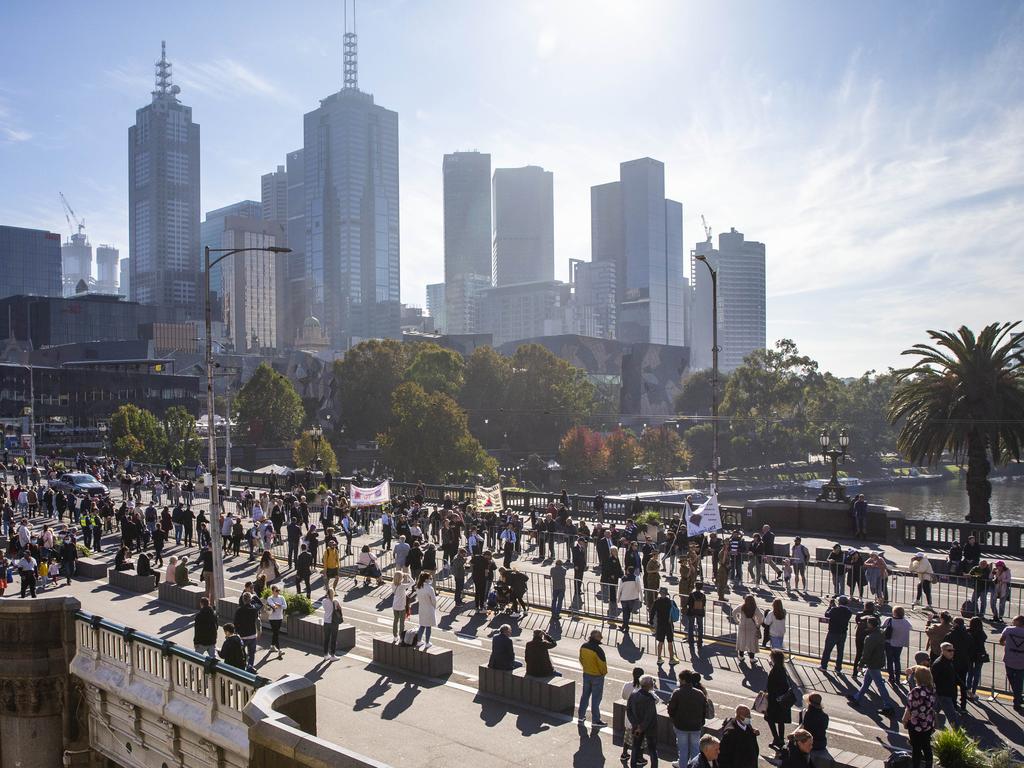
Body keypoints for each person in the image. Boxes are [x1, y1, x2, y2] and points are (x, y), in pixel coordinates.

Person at [847, 617, 896, 716]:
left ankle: (888, 705)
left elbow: (866, 653)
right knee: (866, 682)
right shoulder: (881, 633)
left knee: (880, 685)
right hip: (878, 660)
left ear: (870, 625)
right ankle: (857, 697)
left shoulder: (870, 638)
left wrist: (860, 664)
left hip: (873, 663)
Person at [668, 668, 707, 766]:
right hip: (696, 727)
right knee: (695, 750)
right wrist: (701, 722)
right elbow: (704, 710)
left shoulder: (677, 692)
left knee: (683, 751)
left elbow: (671, 709)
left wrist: (674, 720)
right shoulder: (699, 693)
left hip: (681, 726)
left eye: (680, 679)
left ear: (683, 680)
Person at [902, 666, 937, 768]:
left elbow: (909, 708)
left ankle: (916, 765)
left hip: (915, 723)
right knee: (927, 746)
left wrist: (904, 721)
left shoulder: (915, 691)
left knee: (916, 748)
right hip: (928, 722)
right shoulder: (932, 689)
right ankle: (929, 765)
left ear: (917, 678)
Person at [626, 674, 659, 768]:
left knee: (635, 747)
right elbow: (649, 716)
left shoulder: (633, 695)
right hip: (650, 727)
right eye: (652, 683)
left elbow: (629, 710)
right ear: (648, 685)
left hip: (636, 726)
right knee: (652, 749)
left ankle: (633, 765)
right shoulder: (650, 699)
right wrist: (642, 727)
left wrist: (635, 724)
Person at [764, 650, 794, 749]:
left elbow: (771, 686)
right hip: (782, 700)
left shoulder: (775, 671)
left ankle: (776, 738)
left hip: (774, 701)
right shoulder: (782, 669)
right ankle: (780, 738)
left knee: (769, 719)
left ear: (774, 659)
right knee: (780, 721)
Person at [578, 629, 609, 727]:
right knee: (596, 699)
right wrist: (603, 674)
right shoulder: (598, 650)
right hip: (597, 676)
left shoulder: (583, 646)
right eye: (600, 636)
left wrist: (586, 668)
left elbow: (581, 659)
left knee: (585, 696)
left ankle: (581, 716)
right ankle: (595, 720)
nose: (602, 638)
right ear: (596, 637)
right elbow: (602, 665)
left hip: (586, 674)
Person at [943, 616, 974, 710]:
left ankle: (954, 704)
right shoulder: (968, 636)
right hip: (964, 663)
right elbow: (971, 650)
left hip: (953, 662)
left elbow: (944, 648)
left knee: (953, 684)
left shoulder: (949, 635)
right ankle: (964, 705)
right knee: (963, 683)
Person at [819, 595, 853, 673]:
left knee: (827, 650)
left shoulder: (834, 610)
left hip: (833, 632)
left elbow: (827, 614)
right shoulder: (849, 612)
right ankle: (838, 668)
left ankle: (824, 666)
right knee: (840, 652)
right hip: (843, 633)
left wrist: (830, 607)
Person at [931, 642, 960, 727]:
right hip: (943, 695)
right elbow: (933, 680)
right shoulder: (938, 664)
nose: (952, 652)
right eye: (949, 650)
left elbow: (955, 675)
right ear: (943, 651)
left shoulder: (949, 661)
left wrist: (966, 688)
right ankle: (959, 736)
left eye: (953, 650)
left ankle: (926, 728)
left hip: (946, 694)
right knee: (953, 717)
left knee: (931, 712)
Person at [1000, 614, 1024, 710]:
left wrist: (1008, 645)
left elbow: (1001, 641)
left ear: (1018, 622)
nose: (1012, 622)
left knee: (1012, 679)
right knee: (1019, 682)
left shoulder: (1008, 630)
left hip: (1009, 659)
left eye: (1014, 621)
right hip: (1021, 662)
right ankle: (1017, 699)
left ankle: (1017, 698)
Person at [619, 667, 644, 763]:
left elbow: (624, 697)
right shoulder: (644, 687)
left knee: (627, 737)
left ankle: (624, 754)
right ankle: (639, 758)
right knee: (640, 740)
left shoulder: (628, 685)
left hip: (629, 717)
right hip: (640, 718)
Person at [883, 606, 912, 683]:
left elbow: (883, 627)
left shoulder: (889, 620)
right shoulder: (905, 622)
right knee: (897, 660)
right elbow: (910, 627)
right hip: (899, 644)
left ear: (894, 613)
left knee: (889, 661)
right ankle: (898, 678)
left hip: (889, 643)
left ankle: (891, 677)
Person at [234, 591, 261, 672]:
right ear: (250, 599)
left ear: (243, 600)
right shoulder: (254, 609)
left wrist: (236, 633)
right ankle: (250, 667)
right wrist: (259, 631)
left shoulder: (239, 610)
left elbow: (235, 623)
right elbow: (257, 621)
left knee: (241, 653)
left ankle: (242, 667)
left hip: (242, 636)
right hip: (252, 634)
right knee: (251, 653)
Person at [652, 587, 679, 664]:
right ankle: (671, 659)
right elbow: (676, 612)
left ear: (660, 593)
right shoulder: (671, 602)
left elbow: (652, 612)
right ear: (666, 594)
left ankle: (659, 658)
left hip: (660, 624)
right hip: (669, 624)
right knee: (670, 641)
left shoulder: (657, 602)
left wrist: (651, 621)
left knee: (660, 641)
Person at [732, 595, 762, 663]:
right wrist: (758, 624)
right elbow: (761, 617)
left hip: (742, 625)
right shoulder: (755, 608)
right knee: (752, 643)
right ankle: (752, 658)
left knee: (742, 641)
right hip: (751, 627)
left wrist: (737, 621)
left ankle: (741, 656)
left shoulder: (741, 606)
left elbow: (734, 612)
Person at [965, 616, 988, 703]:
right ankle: (974, 692)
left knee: (970, 674)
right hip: (979, 655)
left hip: (970, 655)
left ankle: (968, 691)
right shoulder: (981, 633)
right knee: (977, 674)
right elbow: (985, 638)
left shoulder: (968, 631)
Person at [415, 572, 438, 648]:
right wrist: (434, 607)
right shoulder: (430, 588)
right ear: (426, 579)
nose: (431, 579)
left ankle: (419, 641)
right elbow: (434, 600)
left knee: (422, 625)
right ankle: (427, 642)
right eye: (430, 578)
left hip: (421, 608)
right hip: (429, 608)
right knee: (428, 626)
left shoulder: (418, 587)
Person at [619, 565, 642, 633]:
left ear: (627, 571)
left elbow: (620, 589)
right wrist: (640, 597)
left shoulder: (623, 578)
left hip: (624, 598)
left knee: (625, 612)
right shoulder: (636, 578)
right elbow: (639, 588)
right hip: (632, 598)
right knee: (628, 612)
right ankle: (625, 626)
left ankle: (625, 626)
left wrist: (618, 598)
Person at [391, 570, 414, 641]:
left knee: (395, 620)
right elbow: (413, 582)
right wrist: (408, 576)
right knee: (402, 622)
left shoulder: (392, 585)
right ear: (401, 578)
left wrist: (402, 577)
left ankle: (395, 636)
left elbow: (398, 582)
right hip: (402, 606)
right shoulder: (402, 586)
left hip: (395, 605)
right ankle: (401, 637)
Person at [322, 588, 343, 661]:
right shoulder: (335, 601)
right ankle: (333, 655)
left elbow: (325, 609)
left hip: (326, 622)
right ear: (333, 593)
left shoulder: (324, 601)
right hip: (333, 622)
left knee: (326, 639)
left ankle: (325, 655)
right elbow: (339, 609)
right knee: (333, 639)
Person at [265, 585, 286, 659]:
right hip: (272, 618)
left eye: (278, 590)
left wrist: (279, 605)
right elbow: (272, 605)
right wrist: (276, 606)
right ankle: (279, 650)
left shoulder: (282, 597)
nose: (278, 592)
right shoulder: (270, 598)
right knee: (276, 633)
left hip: (279, 617)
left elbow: (285, 606)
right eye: (276, 591)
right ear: (273, 591)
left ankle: (272, 646)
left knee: (275, 633)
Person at [685, 582, 707, 654]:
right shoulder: (703, 595)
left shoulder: (692, 594)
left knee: (691, 626)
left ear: (695, 586)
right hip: (700, 612)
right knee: (700, 627)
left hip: (692, 612)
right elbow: (704, 604)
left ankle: (691, 640)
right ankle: (699, 642)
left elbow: (688, 603)